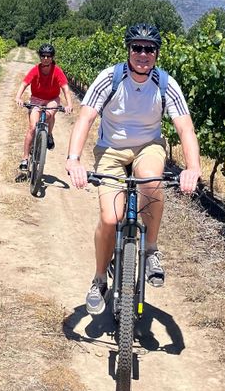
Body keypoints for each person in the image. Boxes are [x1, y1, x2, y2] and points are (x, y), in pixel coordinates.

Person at [65, 23, 201, 315]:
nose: (142, 54)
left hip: (148, 146)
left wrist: (193, 168)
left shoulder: (165, 84)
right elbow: (85, 118)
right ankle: (100, 279)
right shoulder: (109, 78)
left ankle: (150, 249)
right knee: (110, 217)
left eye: (149, 49)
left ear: (157, 54)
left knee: (151, 184)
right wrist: (74, 159)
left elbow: (185, 129)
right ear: (128, 50)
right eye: (137, 47)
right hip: (111, 150)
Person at [15, 43, 73, 172]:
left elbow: (65, 89)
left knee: (50, 113)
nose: (46, 58)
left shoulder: (57, 71)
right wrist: (18, 97)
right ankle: (25, 159)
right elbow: (24, 83)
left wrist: (69, 104)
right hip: (36, 99)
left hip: (52, 99)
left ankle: (49, 134)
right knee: (32, 127)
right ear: (40, 57)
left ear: (52, 57)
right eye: (43, 56)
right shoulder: (35, 69)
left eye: (48, 56)